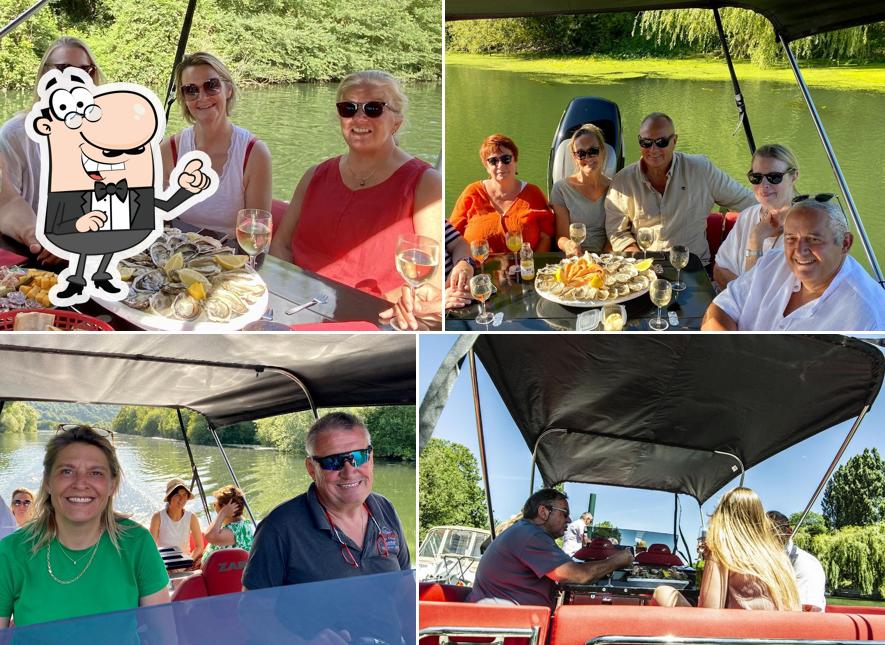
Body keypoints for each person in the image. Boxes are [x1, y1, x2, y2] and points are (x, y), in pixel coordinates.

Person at [270, 70, 441, 301]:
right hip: (297, 301)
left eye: (373, 108)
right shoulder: (315, 176)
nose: (359, 118)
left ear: (396, 122)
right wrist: (283, 292)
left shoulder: (425, 183)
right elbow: (282, 246)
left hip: (377, 313)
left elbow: (432, 275)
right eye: (348, 109)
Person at [0, 425, 169, 627]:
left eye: (96, 473)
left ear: (112, 484)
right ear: (47, 482)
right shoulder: (11, 552)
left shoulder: (137, 543)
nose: (80, 483)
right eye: (66, 471)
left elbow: (164, 636)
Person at [243, 411, 409, 589]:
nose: (349, 471)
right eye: (332, 461)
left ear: (371, 457)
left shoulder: (385, 508)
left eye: (359, 456)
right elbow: (253, 609)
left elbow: (406, 586)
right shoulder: (279, 528)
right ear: (311, 469)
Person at [702, 197, 885, 331]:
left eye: (813, 239)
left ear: (845, 243)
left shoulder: (868, 315)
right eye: (791, 238)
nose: (799, 250)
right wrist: (729, 354)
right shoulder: (772, 262)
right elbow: (720, 308)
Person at [0, 36, 104, 263]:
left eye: (84, 70)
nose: (74, 78)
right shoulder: (15, 134)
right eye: (63, 68)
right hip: (31, 254)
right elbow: (6, 203)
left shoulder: (102, 136)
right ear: (45, 75)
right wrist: (41, 236)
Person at [605, 113, 755, 264]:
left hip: (693, 267)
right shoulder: (623, 181)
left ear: (674, 141)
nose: (653, 149)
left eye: (661, 142)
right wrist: (639, 261)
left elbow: (746, 200)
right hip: (645, 266)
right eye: (646, 142)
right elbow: (617, 231)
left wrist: (776, 216)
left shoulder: (701, 170)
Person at [160, 52, 272, 237]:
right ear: (184, 99)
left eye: (211, 86)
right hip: (178, 255)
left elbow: (256, 234)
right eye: (190, 90)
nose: (201, 97)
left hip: (231, 260)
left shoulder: (254, 154)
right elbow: (157, 217)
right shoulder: (169, 150)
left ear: (228, 89)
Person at [467, 489, 633, 608]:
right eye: (564, 513)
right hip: (504, 628)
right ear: (543, 512)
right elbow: (579, 575)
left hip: (503, 620)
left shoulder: (525, 532)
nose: (568, 520)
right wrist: (618, 560)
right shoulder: (531, 536)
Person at [653, 487, 800, 610]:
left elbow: (708, 614)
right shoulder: (780, 558)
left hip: (735, 636)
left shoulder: (722, 549)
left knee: (663, 592)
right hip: (779, 637)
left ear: (722, 517)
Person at [449, 134, 554, 254]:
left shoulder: (533, 193)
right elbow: (453, 238)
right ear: (486, 166)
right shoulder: (472, 193)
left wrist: (532, 266)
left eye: (506, 159)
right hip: (477, 270)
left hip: (525, 270)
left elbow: (546, 237)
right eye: (493, 161)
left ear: (515, 161)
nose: (500, 165)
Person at [713, 144, 800, 289]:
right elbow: (719, 270)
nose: (764, 185)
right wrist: (743, 293)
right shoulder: (748, 215)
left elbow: (761, 295)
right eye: (756, 177)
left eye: (774, 177)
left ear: (794, 176)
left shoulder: (807, 227)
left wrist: (756, 238)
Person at [551, 124, 611, 255]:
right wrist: (568, 245)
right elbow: (561, 236)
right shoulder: (561, 189)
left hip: (608, 256)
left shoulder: (615, 188)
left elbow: (617, 231)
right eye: (581, 153)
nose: (588, 158)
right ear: (574, 157)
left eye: (593, 151)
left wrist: (605, 258)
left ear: (602, 151)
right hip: (575, 257)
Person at [767, 511, 826, 612]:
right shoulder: (767, 562)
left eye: (773, 532)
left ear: (789, 532)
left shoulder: (807, 564)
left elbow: (806, 612)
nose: (766, 538)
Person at [149, 478, 204, 564]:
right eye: (177, 495)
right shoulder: (157, 517)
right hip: (164, 565)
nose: (182, 499)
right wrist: (162, 565)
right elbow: (151, 547)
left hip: (186, 563)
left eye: (185, 495)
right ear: (169, 497)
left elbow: (200, 546)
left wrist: (189, 561)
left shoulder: (191, 517)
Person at [204, 484, 255, 556]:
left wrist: (223, 513)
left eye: (215, 504)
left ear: (225, 507)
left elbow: (209, 536)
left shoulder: (235, 530)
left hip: (222, 566)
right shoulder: (243, 524)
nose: (214, 506)